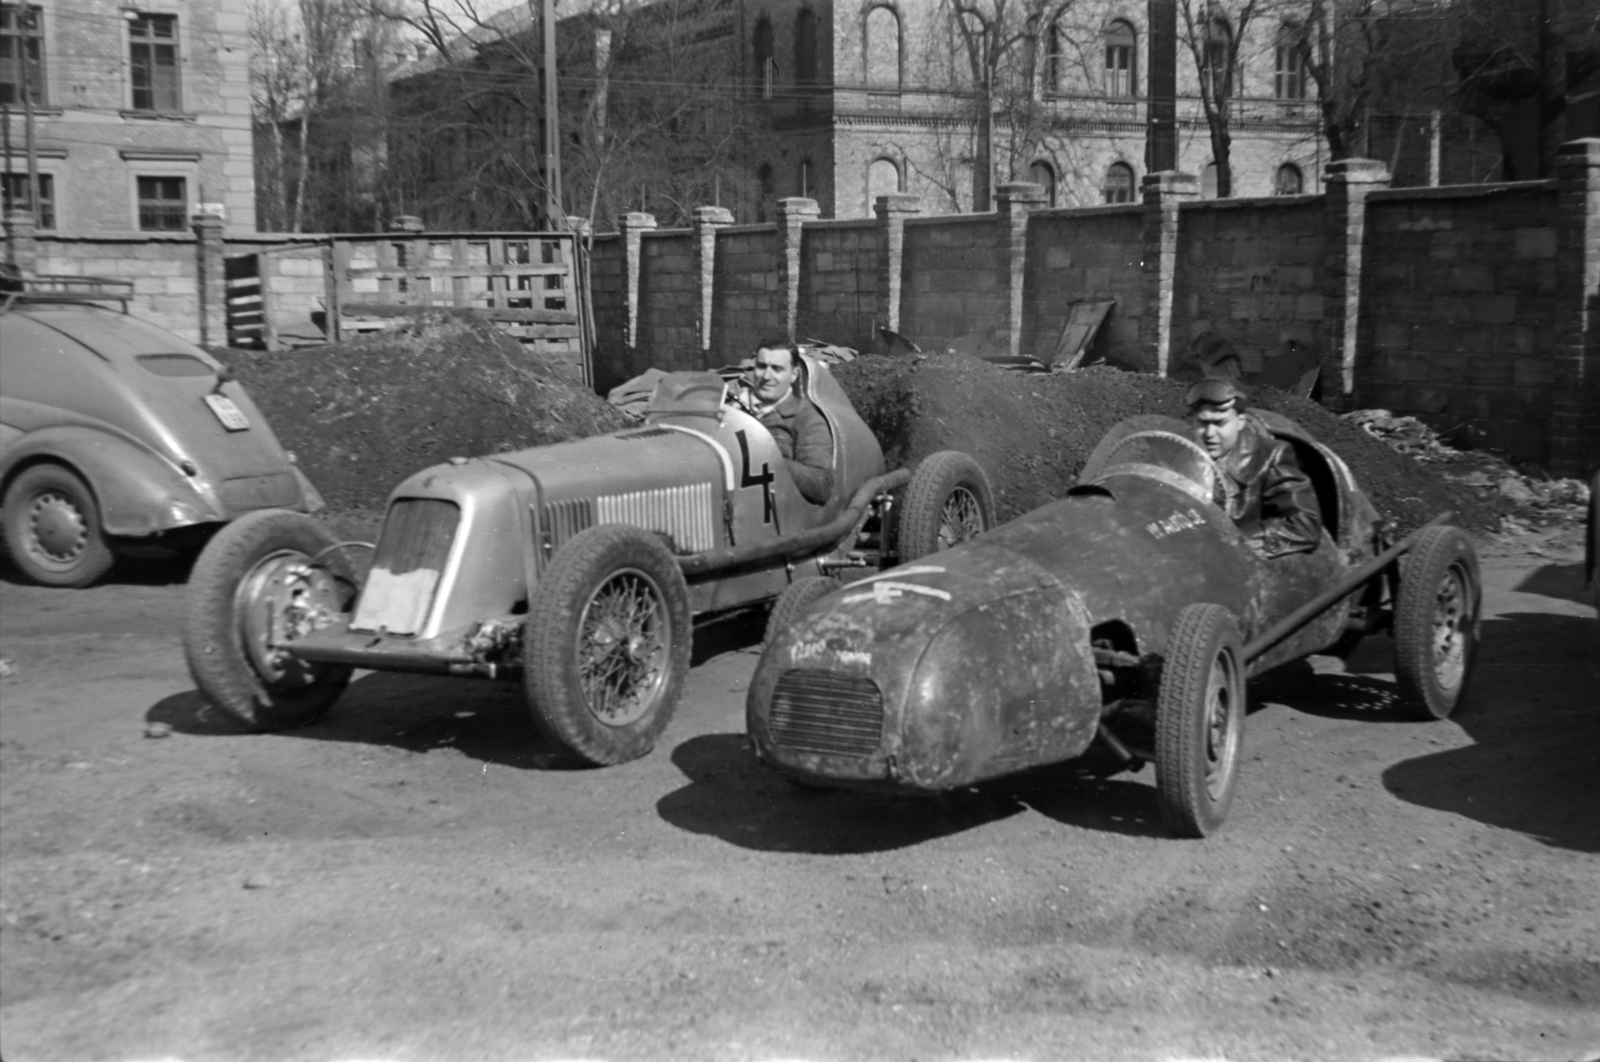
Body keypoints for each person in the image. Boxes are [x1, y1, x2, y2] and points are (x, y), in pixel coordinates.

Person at [1187, 377, 1323, 558]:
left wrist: (1235, 544)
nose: (1210, 434)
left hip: (1242, 569)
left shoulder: (1270, 456)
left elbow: (1305, 524)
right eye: (1203, 423)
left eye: (1220, 423)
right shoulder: (1177, 452)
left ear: (1240, 421)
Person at [735, 338, 835, 505]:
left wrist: (771, 460)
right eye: (761, 367)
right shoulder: (730, 409)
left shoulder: (806, 419)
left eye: (777, 369)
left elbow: (822, 485)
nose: (767, 376)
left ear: (793, 374)